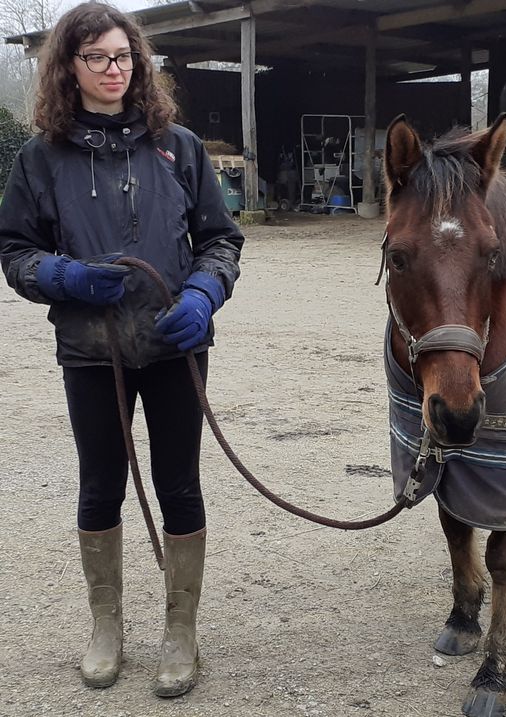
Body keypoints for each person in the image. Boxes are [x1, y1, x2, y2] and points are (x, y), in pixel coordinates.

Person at [0, 2, 244, 697]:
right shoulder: (41, 159)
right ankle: (106, 627)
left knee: (180, 485)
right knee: (100, 484)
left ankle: (180, 630)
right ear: (68, 67)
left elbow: (221, 240)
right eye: (97, 58)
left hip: (174, 346)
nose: (114, 70)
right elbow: (15, 250)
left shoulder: (180, 148)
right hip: (91, 350)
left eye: (124, 56)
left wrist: (203, 295)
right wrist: (64, 277)